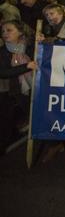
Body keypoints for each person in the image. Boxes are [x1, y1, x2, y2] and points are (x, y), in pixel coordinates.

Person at [0, 20, 37, 152]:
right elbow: (3, 72)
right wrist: (26, 66)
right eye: (3, 31)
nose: (5, 33)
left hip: (35, 86)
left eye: (9, 30)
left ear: (20, 32)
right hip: (13, 91)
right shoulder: (4, 51)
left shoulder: (31, 46)